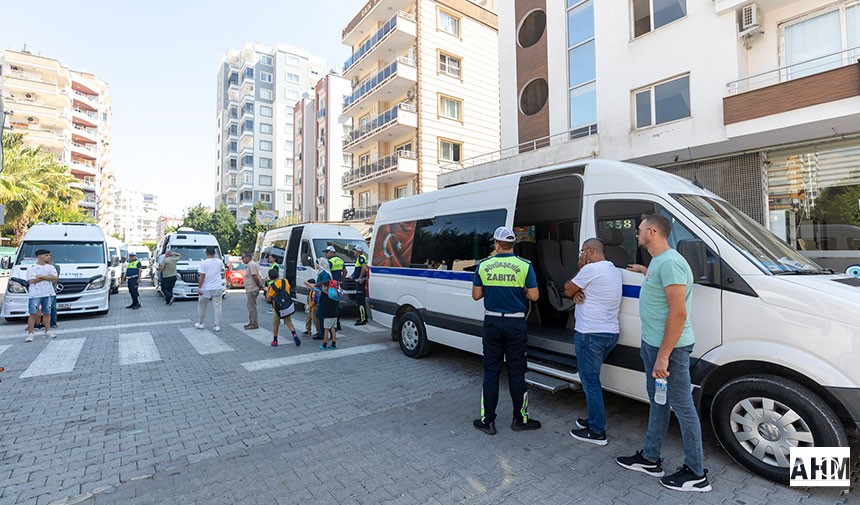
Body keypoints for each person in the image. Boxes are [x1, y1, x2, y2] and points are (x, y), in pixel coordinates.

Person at [616, 214, 711, 492]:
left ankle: (696, 473)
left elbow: (678, 313)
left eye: (640, 230)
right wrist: (643, 271)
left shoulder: (670, 262)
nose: (637, 234)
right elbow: (661, 283)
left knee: (683, 407)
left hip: (669, 349)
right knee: (658, 401)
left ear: (653, 232)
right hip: (654, 345)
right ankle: (649, 458)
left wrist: (663, 355)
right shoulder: (658, 262)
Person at [472, 227, 541, 435]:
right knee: (516, 373)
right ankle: (520, 419)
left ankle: (488, 421)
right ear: (513, 244)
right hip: (515, 324)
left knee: (491, 372)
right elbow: (535, 296)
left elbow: (476, 295)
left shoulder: (484, 265)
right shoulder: (524, 266)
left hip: (492, 322)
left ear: (496, 244)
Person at [563, 238, 622, 446]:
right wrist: (579, 291)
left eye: (582, 252)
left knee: (590, 382)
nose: (580, 256)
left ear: (589, 251)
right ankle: (592, 420)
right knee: (592, 379)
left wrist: (579, 269)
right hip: (609, 333)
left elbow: (567, 289)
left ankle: (597, 431)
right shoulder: (613, 269)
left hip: (590, 334)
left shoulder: (591, 269)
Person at [25, 249, 58, 342]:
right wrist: (47, 277)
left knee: (47, 313)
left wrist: (40, 276)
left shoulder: (51, 267)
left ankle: (47, 331)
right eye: (46, 255)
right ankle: (30, 333)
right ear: (39, 256)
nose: (49, 257)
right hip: (35, 294)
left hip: (48, 293)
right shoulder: (31, 268)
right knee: (33, 313)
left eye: (49, 255)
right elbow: (31, 280)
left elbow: (54, 278)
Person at [266, 269, 301, 347]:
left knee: (276, 323)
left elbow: (268, 298)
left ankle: (275, 340)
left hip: (277, 308)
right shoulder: (285, 281)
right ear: (278, 274)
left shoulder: (272, 286)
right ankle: (294, 334)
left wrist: (268, 289)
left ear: (270, 277)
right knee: (288, 322)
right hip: (287, 306)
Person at [194, 247, 225, 332]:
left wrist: (199, 287)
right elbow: (221, 271)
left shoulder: (203, 263)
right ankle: (217, 325)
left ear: (206, 253)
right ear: (215, 253)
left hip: (206, 288)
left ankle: (201, 323)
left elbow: (202, 276)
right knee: (217, 306)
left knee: (202, 306)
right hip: (217, 286)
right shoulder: (219, 262)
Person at [315, 257, 338, 350]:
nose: (316, 265)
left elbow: (321, 286)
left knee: (323, 320)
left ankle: (323, 338)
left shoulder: (324, 274)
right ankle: (332, 342)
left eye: (317, 263)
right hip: (332, 311)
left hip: (325, 305)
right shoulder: (324, 273)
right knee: (331, 327)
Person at [324, 246, 344, 330]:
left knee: (331, 304)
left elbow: (327, 274)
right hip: (338, 284)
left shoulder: (330, 262)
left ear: (332, 252)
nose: (326, 254)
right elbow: (345, 271)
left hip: (332, 285)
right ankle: (338, 324)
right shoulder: (341, 260)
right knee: (337, 304)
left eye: (327, 252)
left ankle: (333, 325)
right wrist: (341, 280)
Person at [242, 253, 264, 330]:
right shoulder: (250, 265)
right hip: (250, 288)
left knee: (252, 306)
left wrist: (259, 285)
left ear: (248, 257)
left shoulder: (252, 265)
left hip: (252, 288)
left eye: (243, 257)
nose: (243, 259)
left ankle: (254, 323)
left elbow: (255, 276)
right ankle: (251, 322)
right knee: (250, 306)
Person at [351, 244, 369, 326]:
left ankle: (362, 319)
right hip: (359, 281)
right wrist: (353, 276)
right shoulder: (360, 258)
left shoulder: (361, 258)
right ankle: (364, 317)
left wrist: (360, 278)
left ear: (358, 251)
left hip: (360, 283)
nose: (354, 252)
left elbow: (364, 268)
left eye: (355, 250)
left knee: (360, 301)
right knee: (360, 300)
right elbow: (358, 270)